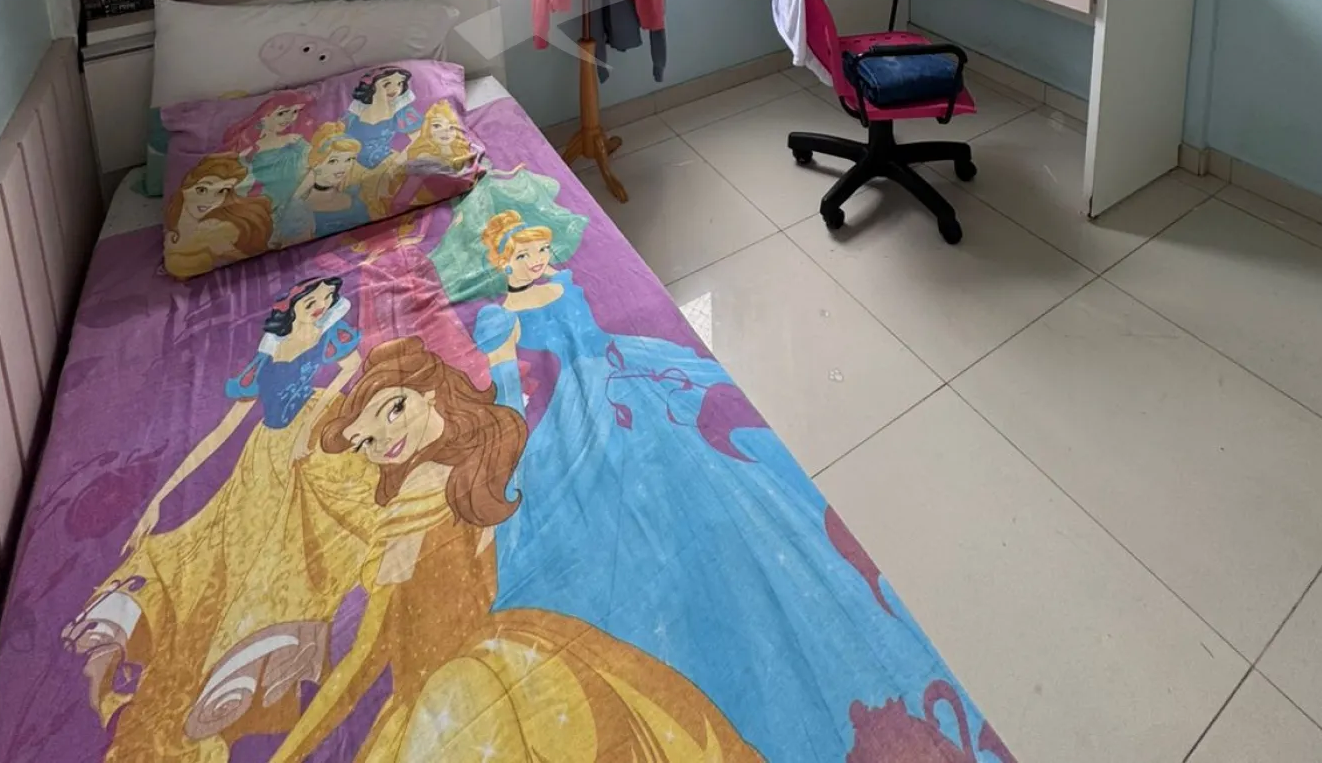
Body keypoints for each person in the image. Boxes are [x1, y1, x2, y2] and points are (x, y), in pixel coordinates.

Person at [429, 167, 959, 761]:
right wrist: (515, 443)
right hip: (572, 406)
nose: (538, 261)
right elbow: (506, 385)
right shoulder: (499, 316)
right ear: (501, 261)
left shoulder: (564, 282)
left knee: (712, 452)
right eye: (525, 255)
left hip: (627, 370)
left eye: (541, 251)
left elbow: (594, 330)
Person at [265, 336, 761, 763]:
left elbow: (366, 655)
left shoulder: (419, 505)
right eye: (367, 442)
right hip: (505, 652)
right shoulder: (466, 476)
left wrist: (290, 751)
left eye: (394, 409)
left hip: (459, 682)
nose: (386, 440)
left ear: (430, 391)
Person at [62, 278, 377, 762]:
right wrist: (161, 497)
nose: (319, 307)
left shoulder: (328, 336)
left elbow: (352, 368)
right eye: (310, 300)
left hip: (313, 443)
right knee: (219, 571)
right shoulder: (265, 356)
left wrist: (315, 425)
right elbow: (223, 431)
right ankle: (179, 704)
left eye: (326, 301)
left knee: (296, 564)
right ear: (291, 305)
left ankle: (248, 676)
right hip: (262, 462)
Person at [163, 154, 272, 278]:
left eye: (222, 191)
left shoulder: (218, 228)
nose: (210, 200)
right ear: (185, 188)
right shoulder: (178, 226)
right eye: (201, 190)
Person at [223, 91, 314, 241]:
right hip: (262, 211)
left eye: (294, 112)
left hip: (294, 209)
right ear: (264, 116)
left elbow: (315, 169)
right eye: (282, 113)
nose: (289, 118)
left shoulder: (296, 142)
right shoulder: (247, 151)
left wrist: (293, 201)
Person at [344, 66, 421, 168]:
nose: (394, 89)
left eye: (400, 83)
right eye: (386, 84)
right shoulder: (353, 115)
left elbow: (419, 138)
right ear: (371, 86)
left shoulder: (401, 112)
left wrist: (398, 160)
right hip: (350, 167)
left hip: (387, 165)